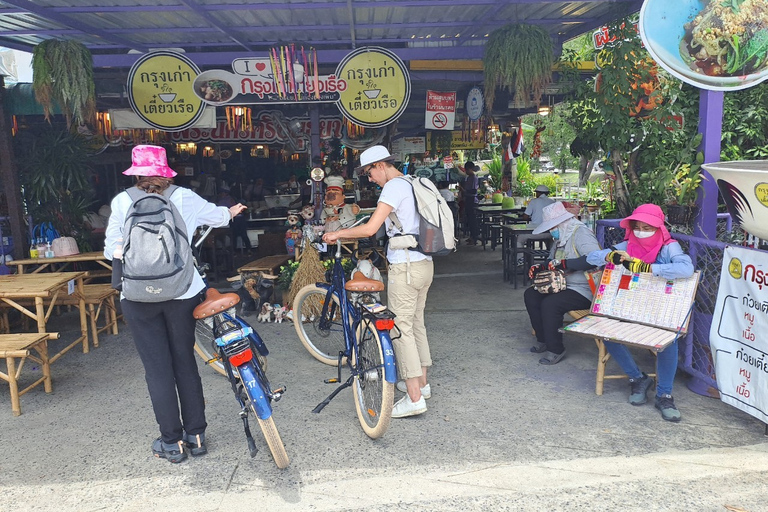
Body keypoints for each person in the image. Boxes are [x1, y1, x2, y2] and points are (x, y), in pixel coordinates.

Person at [104, 145, 247, 463]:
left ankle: (171, 442)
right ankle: (196, 436)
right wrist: (231, 212)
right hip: (182, 293)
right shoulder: (185, 197)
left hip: (138, 298)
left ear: (137, 173)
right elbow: (218, 218)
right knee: (184, 362)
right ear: (166, 172)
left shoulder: (123, 201)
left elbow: (111, 250)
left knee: (157, 370)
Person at [322, 145, 433, 419]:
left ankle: (414, 399)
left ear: (381, 165)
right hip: (424, 263)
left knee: (401, 329)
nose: (369, 179)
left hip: (405, 267)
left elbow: (372, 228)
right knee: (416, 323)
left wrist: (339, 234)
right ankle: (422, 384)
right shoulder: (413, 181)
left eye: (369, 172)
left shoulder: (394, 187)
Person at [586, 203, 693, 422]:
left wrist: (649, 268)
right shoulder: (627, 244)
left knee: (668, 341)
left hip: (659, 309)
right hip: (629, 306)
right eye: (638, 226)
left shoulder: (669, 247)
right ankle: (637, 378)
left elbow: (686, 268)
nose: (641, 231)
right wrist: (610, 257)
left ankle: (664, 394)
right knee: (607, 330)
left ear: (659, 228)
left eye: (648, 227)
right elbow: (591, 258)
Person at [524, 201, 601, 365]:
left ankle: (556, 348)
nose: (552, 231)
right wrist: (540, 267)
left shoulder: (581, 233)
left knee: (551, 304)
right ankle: (542, 339)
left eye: (553, 227)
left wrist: (566, 264)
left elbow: (595, 260)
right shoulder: (560, 237)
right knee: (531, 294)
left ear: (563, 222)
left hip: (584, 289)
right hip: (560, 284)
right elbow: (552, 261)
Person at [517, 184, 555, 252]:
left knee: (520, 239)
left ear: (538, 193)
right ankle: (551, 256)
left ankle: (520, 259)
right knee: (550, 241)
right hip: (549, 233)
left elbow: (525, 217)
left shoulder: (533, 201)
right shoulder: (552, 202)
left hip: (535, 232)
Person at [218, 185, 252, 254]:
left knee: (236, 235)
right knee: (239, 235)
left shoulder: (226, 199)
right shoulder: (229, 199)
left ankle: (239, 251)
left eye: (222, 192)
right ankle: (246, 250)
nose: (221, 194)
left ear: (226, 193)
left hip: (236, 219)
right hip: (238, 218)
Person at [460, 161, 480, 245]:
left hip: (472, 200)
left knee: (472, 220)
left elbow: (473, 191)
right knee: (469, 219)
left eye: (467, 170)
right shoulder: (468, 177)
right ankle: (471, 236)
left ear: (470, 169)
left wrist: (463, 190)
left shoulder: (474, 178)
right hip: (468, 200)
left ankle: (474, 237)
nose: (466, 172)